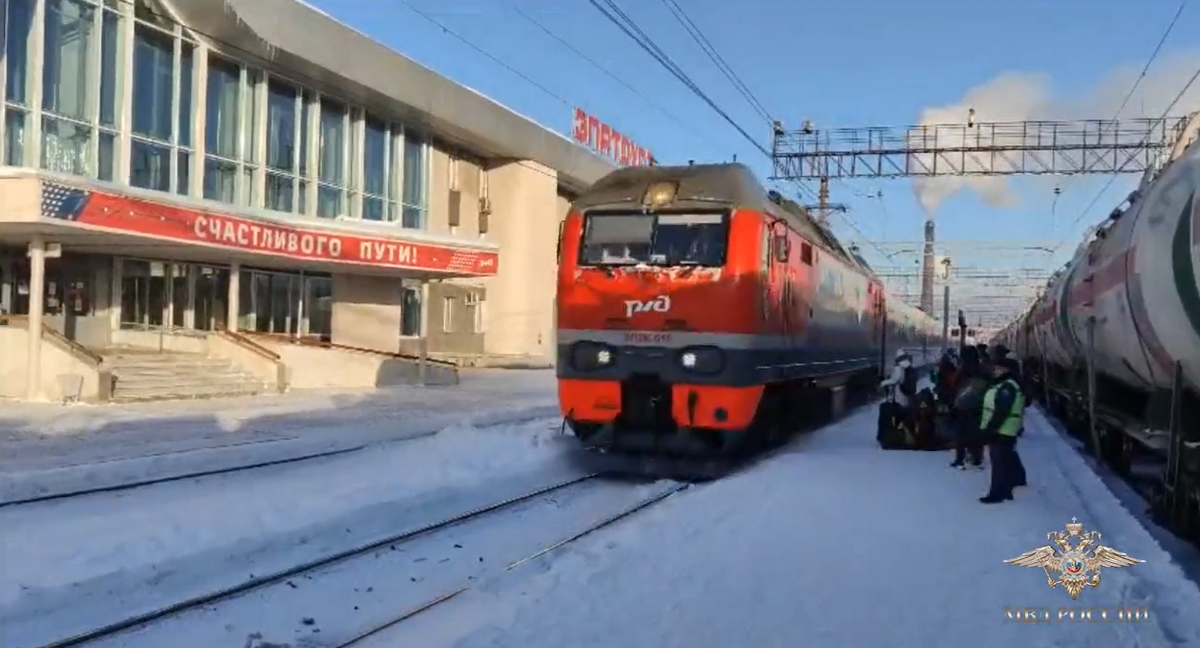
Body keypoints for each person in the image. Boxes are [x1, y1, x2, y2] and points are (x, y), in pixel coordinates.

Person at [979, 357, 1027, 504]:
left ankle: (997, 494)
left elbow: (1001, 412)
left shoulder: (1007, 387)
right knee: (1005, 459)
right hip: (1005, 429)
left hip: (1003, 430)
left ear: (1007, 370)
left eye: (999, 368)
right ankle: (1007, 489)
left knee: (998, 462)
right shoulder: (1007, 384)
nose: (995, 370)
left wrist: (990, 430)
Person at [951, 347, 987, 469]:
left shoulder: (962, 369)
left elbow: (954, 384)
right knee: (976, 433)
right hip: (978, 406)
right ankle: (976, 458)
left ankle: (959, 458)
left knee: (960, 433)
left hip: (962, 405)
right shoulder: (982, 368)